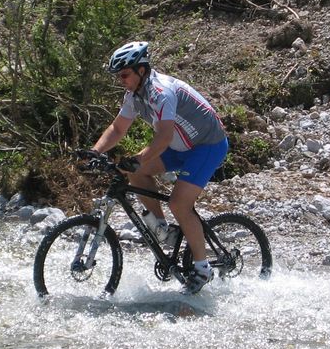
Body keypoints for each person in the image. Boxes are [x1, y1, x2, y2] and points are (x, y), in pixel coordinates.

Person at [88, 41, 228, 294]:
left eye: (124, 75)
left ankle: (202, 268)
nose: (121, 80)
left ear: (141, 70)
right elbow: (118, 128)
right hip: (180, 145)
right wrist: (95, 151)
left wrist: (139, 158)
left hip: (207, 145)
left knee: (179, 204)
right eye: (118, 76)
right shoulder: (134, 95)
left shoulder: (162, 92)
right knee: (134, 171)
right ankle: (163, 229)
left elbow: (163, 137)